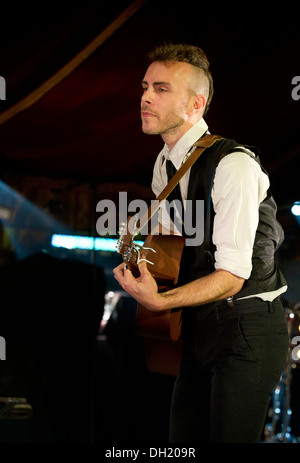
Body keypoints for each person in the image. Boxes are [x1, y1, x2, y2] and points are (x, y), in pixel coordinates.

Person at [113, 43, 289, 443]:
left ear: (196, 104)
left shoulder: (234, 165)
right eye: (144, 86)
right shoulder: (164, 165)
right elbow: (177, 250)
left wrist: (161, 301)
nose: (144, 96)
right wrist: (135, 254)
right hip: (199, 326)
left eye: (161, 89)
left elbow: (231, 276)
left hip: (248, 324)